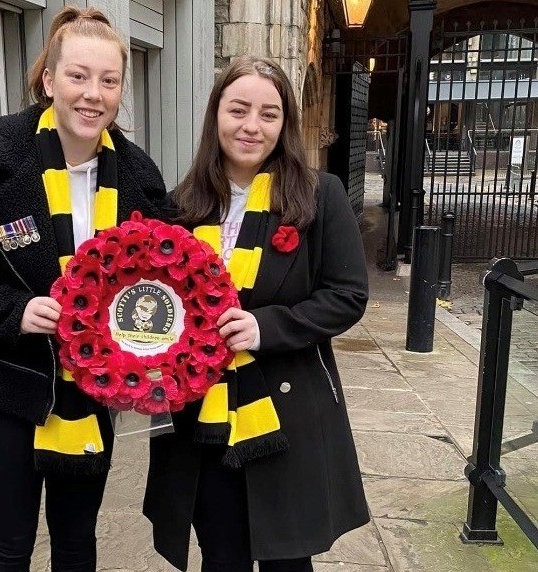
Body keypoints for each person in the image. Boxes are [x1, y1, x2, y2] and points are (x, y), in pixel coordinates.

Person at [0, 7, 166, 571]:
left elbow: (162, 287)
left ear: (121, 89)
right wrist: (12, 309)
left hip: (90, 393)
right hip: (2, 385)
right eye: (77, 76)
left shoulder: (141, 179)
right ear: (49, 79)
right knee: (9, 546)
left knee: (77, 544)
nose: (92, 94)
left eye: (108, 79)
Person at [143, 56, 370, 572]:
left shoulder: (320, 195)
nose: (251, 126)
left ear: (285, 123)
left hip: (283, 409)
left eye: (269, 114)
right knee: (221, 555)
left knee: (286, 559)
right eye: (238, 109)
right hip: (200, 417)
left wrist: (264, 327)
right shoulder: (180, 206)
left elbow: (347, 294)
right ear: (215, 115)